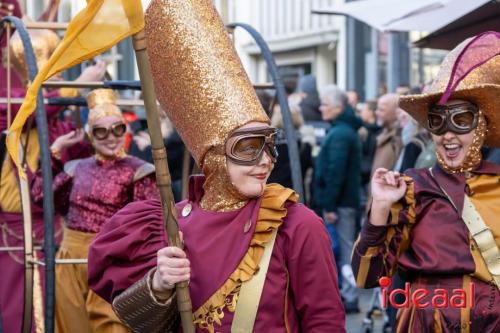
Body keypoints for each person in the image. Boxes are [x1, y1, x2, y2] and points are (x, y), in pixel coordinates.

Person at [88, 1, 346, 332]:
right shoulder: (168, 224)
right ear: (213, 155)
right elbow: (140, 323)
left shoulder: (296, 225)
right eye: (248, 149)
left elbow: (325, 321)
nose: (265, 161)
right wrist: (159, 285)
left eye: (269, 145)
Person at [351, 32, 500, 332]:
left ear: (482, 125)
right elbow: (367, 276)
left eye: (461, 120)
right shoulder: (412, 189)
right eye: (437, 121)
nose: (447, 134)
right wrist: (380, 207)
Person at [0, 26, 104, 333]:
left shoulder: (57, 117)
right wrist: (76, 87)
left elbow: (77, 164)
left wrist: (93, 134)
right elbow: (28, 113)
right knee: (17, 309)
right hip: (14, 230)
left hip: (53, 229)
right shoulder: (12, 100)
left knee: (55, 305)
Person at [31, 89, 159, 333]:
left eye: (117, 129)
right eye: (101, 131)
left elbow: (149, 225)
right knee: (71, 325)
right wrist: (55, 151)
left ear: (125, 130)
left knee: (113, 325)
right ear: (91, 134)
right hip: (71, 260)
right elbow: (41, 196)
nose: (110, 138)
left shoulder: (140, 170)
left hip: (112, 261)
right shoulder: (75, 167)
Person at [313, 84, 362, 313]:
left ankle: (350, 296)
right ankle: (346, 293)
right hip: (342, 202)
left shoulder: (341, 133)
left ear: (337, 107)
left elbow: (336, 172)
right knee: (343, 249)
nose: (320, 108)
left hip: (341, 204)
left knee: (344, 249)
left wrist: (330, 205)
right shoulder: (341, 130)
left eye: (324, 103)